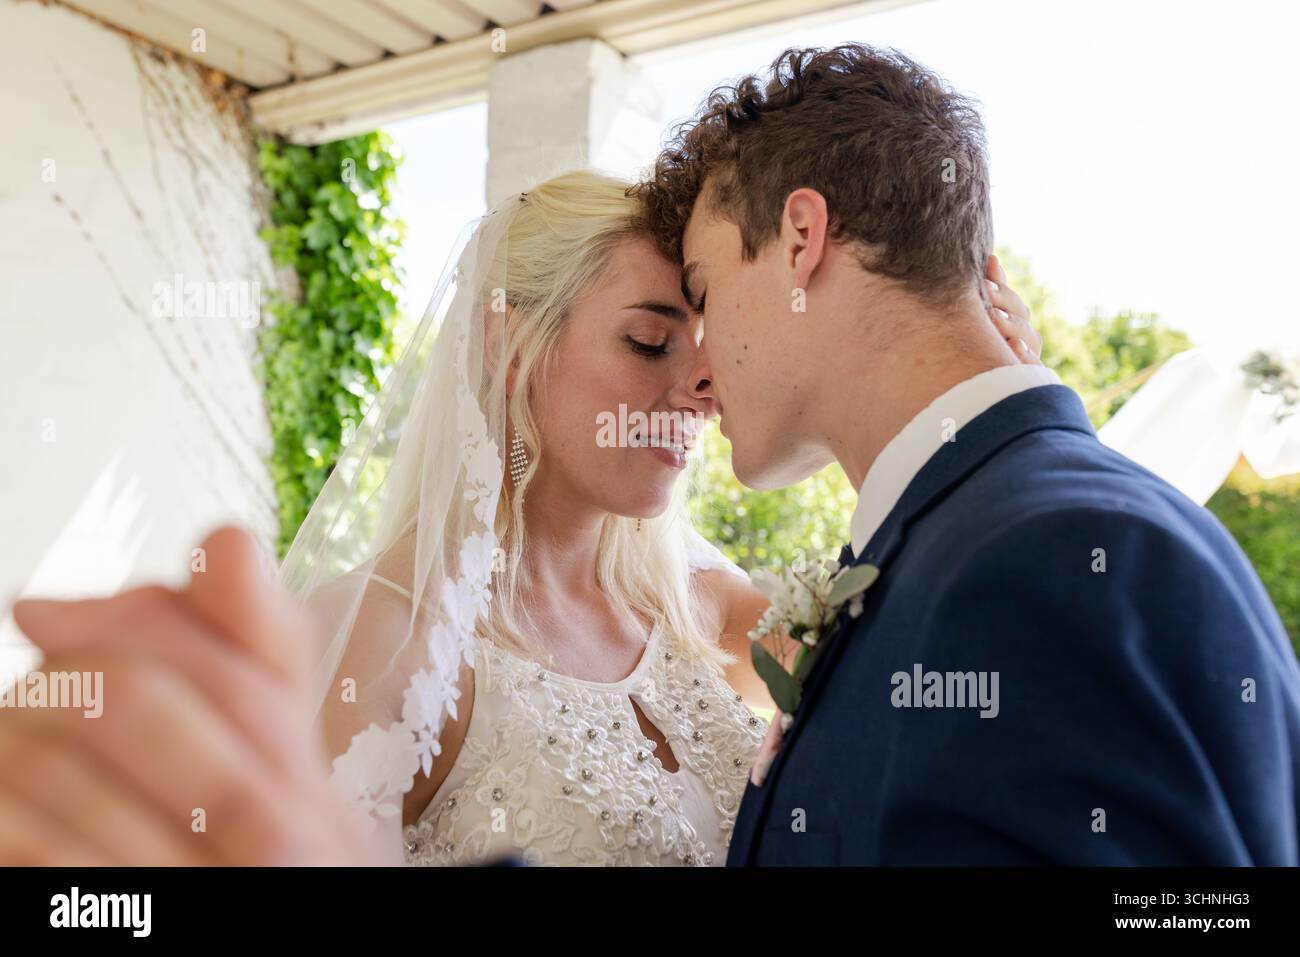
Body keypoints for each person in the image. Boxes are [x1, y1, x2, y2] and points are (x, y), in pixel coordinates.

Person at [2, 166, 1041, 866]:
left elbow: (953, 711)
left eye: (705, 343)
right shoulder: (400, 635)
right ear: (510, 348)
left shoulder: (719, 612)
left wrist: (994, 403)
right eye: (646, 342)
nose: (699, 385)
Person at [633, 42, 1300, 865]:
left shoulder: (1046, 565)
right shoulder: (975, 539)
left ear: (803, 236)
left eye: (703, 294)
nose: (699, 363)